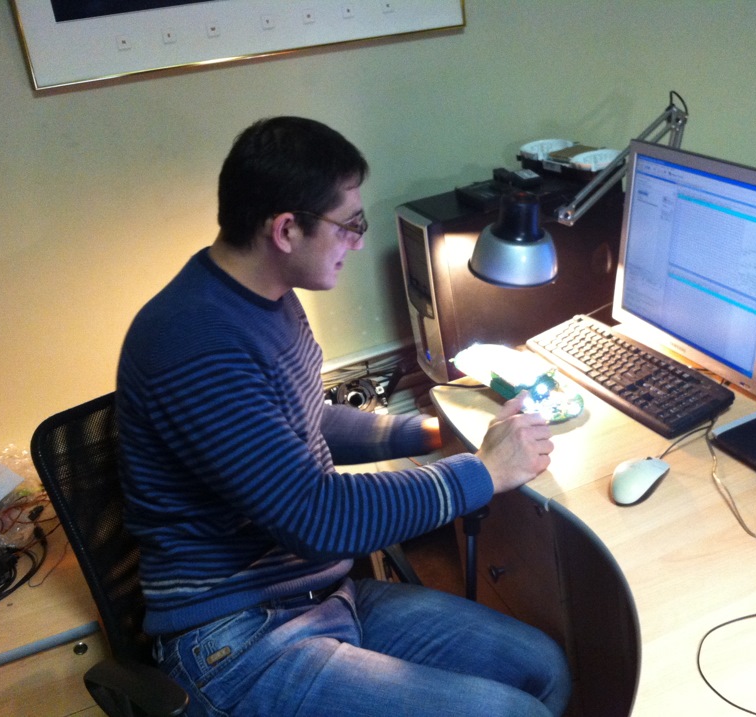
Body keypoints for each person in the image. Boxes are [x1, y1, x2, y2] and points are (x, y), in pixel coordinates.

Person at [116, 116, 571, 716]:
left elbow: (305, 421)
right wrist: (482, 472)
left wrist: (435, 432)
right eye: (349, 225)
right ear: (286, 229)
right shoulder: (193, 343)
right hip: (235, 641)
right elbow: (317, 516)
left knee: (543, 669)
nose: (358, 242)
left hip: (319, 594)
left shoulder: (266, 299)